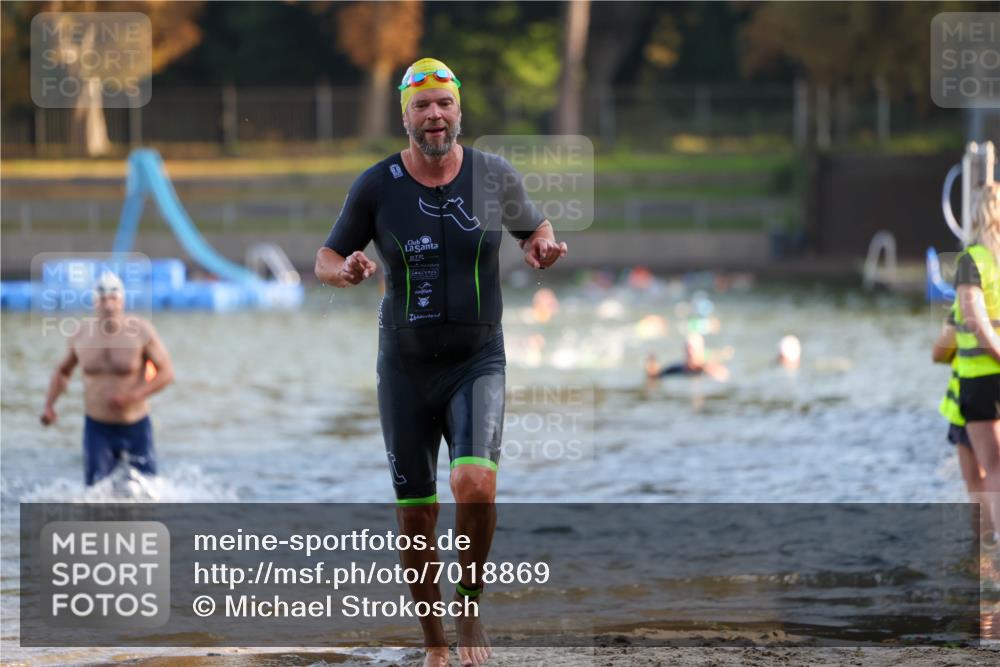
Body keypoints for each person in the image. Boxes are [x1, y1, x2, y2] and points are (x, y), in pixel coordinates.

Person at [314, 57, 567, 667]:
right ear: (405, 116)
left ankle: (469, 604)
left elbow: (534, 227)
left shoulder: (492, 175)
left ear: (459, 110)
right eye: (422, 106)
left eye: (444, 104)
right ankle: (434, 644)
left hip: (478, 359)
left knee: (474, 483)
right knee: (418, 514)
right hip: (405, 368)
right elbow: (326, 257)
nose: (434, 115)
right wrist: (345, 272)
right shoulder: (376, 186)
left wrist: (541, 246)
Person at [40, 272, 175, 486]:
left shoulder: (141, 331)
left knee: (148, 491)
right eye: (103, 299)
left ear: (122, 301)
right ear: (95, 301)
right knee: (96, 494)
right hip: (98, 428)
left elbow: (166, 372)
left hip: (136, 426)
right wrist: (49, 406)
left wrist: (133, 396)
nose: (109, 305)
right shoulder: (81, 334)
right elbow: (62, 371)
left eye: (114, 298)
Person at [953, 183, 1000, 543]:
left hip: (982, 377)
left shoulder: (971, 260)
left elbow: (975, 320)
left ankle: (991, 550)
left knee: (993, 467)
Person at [933, 304, 991, 542]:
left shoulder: (965, 305)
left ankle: (984, 549)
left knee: (976, 483)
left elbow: (939, 353)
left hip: (969, 404)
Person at [645, 332, 730, 382]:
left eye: (693, 349)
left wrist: (705, 369)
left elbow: (724, 376)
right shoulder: (677, 369)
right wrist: (652, 366)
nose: (690, 353)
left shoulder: (709, 369)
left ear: (701, 350)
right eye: (688, 349)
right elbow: (656, 377)